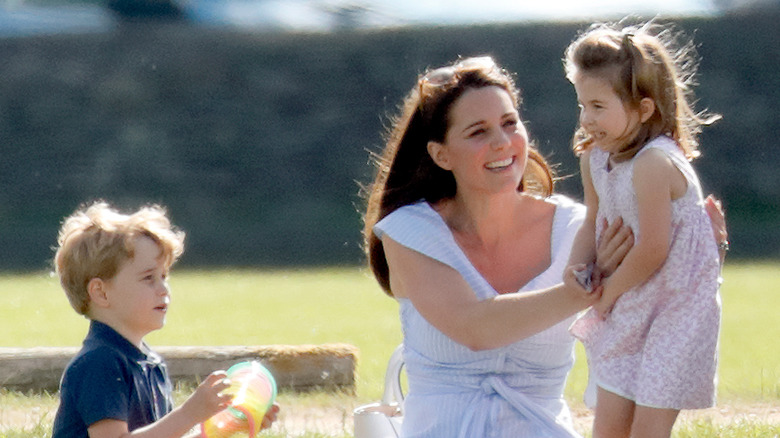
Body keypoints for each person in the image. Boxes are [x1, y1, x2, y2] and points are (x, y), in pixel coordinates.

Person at [362, 54, 650, 437]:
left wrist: (702, 245)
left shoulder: (577, 228)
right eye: (478, 132)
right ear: (440, 154)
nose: (502, 143)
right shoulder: (410, 231)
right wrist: (578, 294)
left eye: (509, 123)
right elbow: (474, 327)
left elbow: (650, 316)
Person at [563, 21, 724, 438]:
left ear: (644, 109)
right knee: (609, 426)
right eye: (582, 105)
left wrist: (608, 295)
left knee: (647, 430)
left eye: (598, 107)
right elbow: (592, 219)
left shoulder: (654, 163)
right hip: (631, 302)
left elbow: (654, 249)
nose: (586, 118)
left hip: (676, 309)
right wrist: (578, 268)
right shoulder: (595, 157)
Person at [51, 201, 279, 438]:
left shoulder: (150, 364)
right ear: (101, 292)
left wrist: (227, 427)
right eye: (148, 278)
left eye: (164, 276)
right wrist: (188, 414)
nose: (164, 289)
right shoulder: (99, 364)